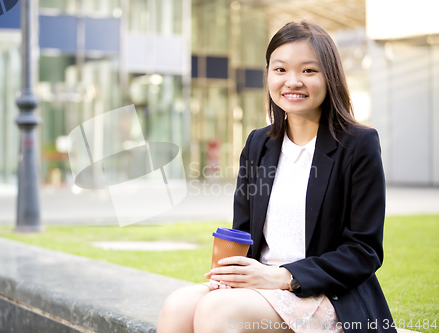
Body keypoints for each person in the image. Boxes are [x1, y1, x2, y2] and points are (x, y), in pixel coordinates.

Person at [157, 21, 396, 333]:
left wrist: (283, 277)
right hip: (261, 285)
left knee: (218, 312)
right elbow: (243, 233)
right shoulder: (259, 144)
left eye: (308, 71)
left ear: (330, 77)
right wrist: (229, 272)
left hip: (326, 293)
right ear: (268, 73)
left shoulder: (357, 144)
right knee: (178, 306)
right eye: (280, 70)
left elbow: (363, 251)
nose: (292, 81)